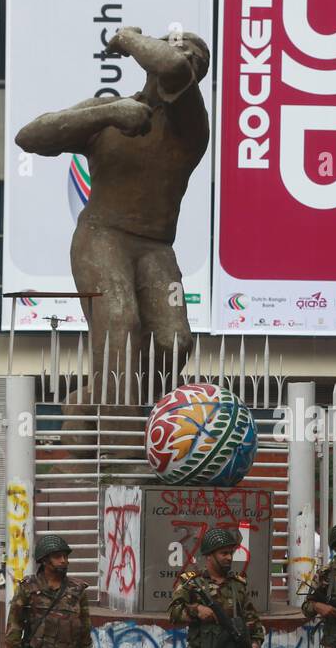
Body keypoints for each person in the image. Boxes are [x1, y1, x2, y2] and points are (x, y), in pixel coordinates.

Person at [15, 28, 210, 401]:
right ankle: (117, 443)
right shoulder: (112, 113)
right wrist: (107, 112)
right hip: (102, 237)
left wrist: (124, 38)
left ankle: (91, 405)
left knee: (174, 342)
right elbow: (30, 136)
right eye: (178, 48)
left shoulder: (190, 123)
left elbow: (170, 66)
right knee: (120, 325)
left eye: (195, 60)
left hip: (155, 249)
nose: (185, 59)